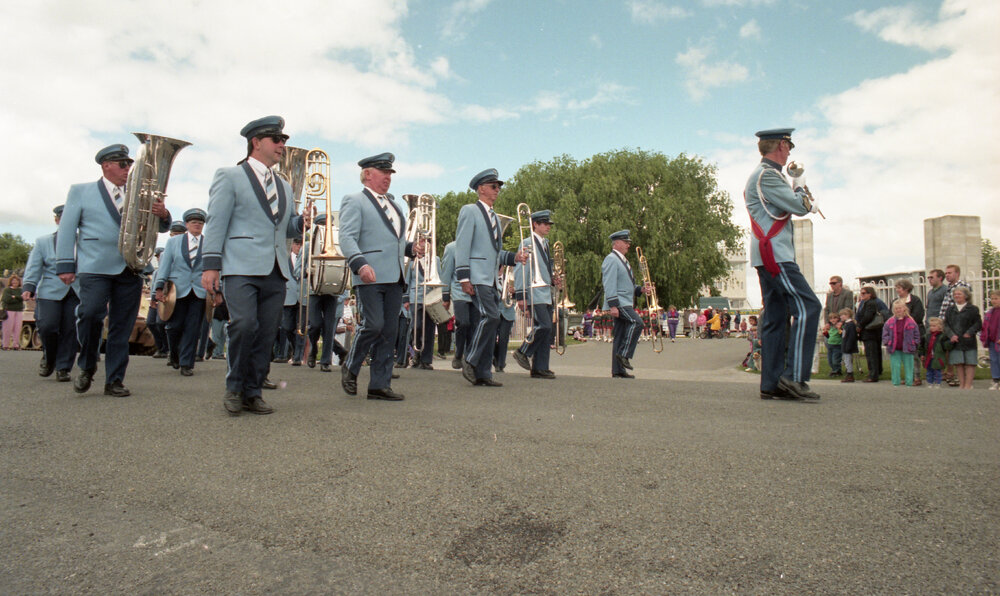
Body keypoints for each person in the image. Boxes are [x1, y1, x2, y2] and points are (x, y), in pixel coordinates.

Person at [201, 116, 310, 416]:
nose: (282, 145)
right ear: (256, 142)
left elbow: (285, 227)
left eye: (284, 140)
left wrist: (302, 222)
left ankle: (253, 391)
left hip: (276, 269)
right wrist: (211, 264)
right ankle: (234, 386)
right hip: (240, 266)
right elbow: (216, 222)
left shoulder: (285, 187)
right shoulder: (229, 176)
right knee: (244, 325)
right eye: (276, 139)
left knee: (265, 333)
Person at [56, 143, 171, 397]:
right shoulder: (81, 191)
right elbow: (67, 229)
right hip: (94, 266)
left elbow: (160, 227)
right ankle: (86, 365)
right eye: (123, 164)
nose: (128, 169)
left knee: (122, 325)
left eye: (130, 164)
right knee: (90, 314)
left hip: (130, 267)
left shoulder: (140, 193)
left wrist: (163, 215)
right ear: (105, 165)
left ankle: (115, 379)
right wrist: (65, 263)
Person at [744, 128, 822, 400]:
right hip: (776, 254)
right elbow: (800, 207)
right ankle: (794, 377)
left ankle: (772, 382)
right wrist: (799, 184)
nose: (790, 151)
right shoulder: (768, 175)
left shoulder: (765, 175)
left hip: (766, 254)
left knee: (776, 317)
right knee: (809, 306)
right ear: (780, 145)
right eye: (788, 145)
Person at [338, 153, 423, 401]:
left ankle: (379, 384)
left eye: (390, 173)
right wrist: (359, 263)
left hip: (395, 276)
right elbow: (347, 237)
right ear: (367, 174)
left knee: (389, 331)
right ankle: (351, 365)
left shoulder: (396, 207)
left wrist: (411, 249)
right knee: (373, 325)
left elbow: (395, 242)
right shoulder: (354, 200)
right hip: (369, 275)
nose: (388, 177)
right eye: (383, 172)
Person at [454, 168, 528, 386]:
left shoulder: (494, 216)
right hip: (477, 276)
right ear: (481, 189)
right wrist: (464, 277)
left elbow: (494, 253)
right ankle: (470, 359)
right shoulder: (469, 211)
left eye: (499, 187)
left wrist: (514, 257)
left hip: (490, 278)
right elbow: (462, 245)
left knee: (485, 323)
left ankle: (483, 373)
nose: (498, 190)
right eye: (494, 186)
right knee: (492, 317)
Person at [21, 206, 80, 380]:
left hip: (76, 291)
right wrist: (29, 286)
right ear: (57, 220)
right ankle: (49, 356)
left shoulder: (84, 242)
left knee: (71, 330)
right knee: (47, 326)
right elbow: (34, 266)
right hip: (50, 291)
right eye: (63, 218)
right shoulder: (43, 242)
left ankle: (63, 368)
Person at [155, 208, 207, 377]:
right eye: (194, 222)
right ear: (187, 224)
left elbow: (215, 267)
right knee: (174, 326)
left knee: (193, 328)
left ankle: (187, 363)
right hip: (177, 290)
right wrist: (159, 286)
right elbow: (165, 265)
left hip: (199, 290)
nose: (197, 225)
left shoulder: (209, 243)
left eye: (200, 223)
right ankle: (174, 353)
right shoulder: (174, 242)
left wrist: (217, 290)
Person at [512, 210, 558, 379]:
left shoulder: (545, 244)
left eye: (549, 224)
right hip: (534, 291)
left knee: (547, 331)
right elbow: (521, 269)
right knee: (543, 326)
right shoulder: (527, 242)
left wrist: (553, 279)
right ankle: (522, 351)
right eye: (544, 224)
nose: (548, 227)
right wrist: (521, 295)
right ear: (535, 225)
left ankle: (540, 367)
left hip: (545, 291)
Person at [602, 230, 647, 379]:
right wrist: (613, 305)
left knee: (620, 335)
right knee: (637, 322)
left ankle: (618, 370)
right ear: (617, 243)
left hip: (625, 300)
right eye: (625, 242)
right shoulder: (611, 259)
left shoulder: (622, 260)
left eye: (628, 242)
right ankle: (624, 354)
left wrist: (640, 289)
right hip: (619, 302)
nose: (628, 244)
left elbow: (626, 284)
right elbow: (609, 283)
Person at [305, 215, 347, 372]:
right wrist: (308, 271)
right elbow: (298, 269)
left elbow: (343, 267)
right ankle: (314, 350)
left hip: (332, 290)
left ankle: (325, 361)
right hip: (315, 290)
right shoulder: (309, 246)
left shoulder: (338, 244)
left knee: (329, 327)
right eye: (322, 226)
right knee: (315, 325)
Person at [440, 241, 476, 370]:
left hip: (476, 292)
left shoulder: (478, 245)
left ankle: (469, 358)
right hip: (459, 291)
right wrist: (445, 296)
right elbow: (446, 273)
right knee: (463, 322)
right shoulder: (451, 247)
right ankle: (458, 353)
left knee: (474, 327)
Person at [938, 264, 972, 387]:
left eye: (950, 273)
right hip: (946, 323)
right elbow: (946, 306)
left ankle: (960, 377)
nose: (947, 275)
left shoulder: (963, 286)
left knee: (960, 350)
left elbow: (965, 305)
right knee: (948, 349)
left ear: (957, 273)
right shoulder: (948, 288)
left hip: (959, 324)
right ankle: (950, 373)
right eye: (946, 273)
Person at [942, 286, 981, 390]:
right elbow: (946, 324)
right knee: (958, 363)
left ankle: (968, 385)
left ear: (966, 296)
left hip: (968, 340)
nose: (957, 296)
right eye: (955, 294)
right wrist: (951, 335)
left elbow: (978, 323)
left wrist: (970, 332)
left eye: (959, 294)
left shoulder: (973, 309)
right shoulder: (950, 310)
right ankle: (962, 384)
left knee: (970, 363)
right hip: (956, 341)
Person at [275, 237, 304, 366]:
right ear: (292, 245)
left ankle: (298, 356)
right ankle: (293, 347)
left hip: (303, 297)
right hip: (288, 297)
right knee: (287, 327)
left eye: (300, 244)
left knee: (301, 328)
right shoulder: (285, 258)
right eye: (296, 244)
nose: (298, 247)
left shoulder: (306, 258)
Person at [406, 258, 438, 371]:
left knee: (429, 329)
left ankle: (426, 360)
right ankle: (414, 353)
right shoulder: (412, 261)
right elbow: (407, 280)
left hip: (431, 297)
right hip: (416, 297)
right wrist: (406, 298)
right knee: (416, 326)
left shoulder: (436, 260)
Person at [881, 299, 920, 387]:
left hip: (908, 348)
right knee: (895, 367)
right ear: (893, 310)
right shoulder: (889, 322)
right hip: (894, 348)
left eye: (900, 308)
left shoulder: (911, 321)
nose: (898, 310)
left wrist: (915, 343)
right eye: (896, 309)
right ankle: (896, 383)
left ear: (904, 309)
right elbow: (885, 333)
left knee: (909, 367)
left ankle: (909, 383)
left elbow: (916, 333)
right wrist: (888, 342)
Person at [856, 286, 890, 383]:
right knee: (873, 352)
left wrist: (860, 325)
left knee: (871, 354)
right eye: (861, 293)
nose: (861, 295)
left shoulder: (870, 303)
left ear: (870, 294)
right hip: (871, 332)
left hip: (870, 332)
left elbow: (868, 316)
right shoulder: (865, 303)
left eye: (864, 293)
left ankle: (873, 374)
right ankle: (876, 371)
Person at [894, 279, 925, 385]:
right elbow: (892, 315)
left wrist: (906, 322)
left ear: (906, 289)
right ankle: (909, 377)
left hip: (912, 331)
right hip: (899, 332)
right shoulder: (895, 301)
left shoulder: (915, 300)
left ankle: (917, 377)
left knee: (914, 355)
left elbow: (919, 315)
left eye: (899, 288)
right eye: (896, 288)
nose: (897, 290)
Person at [494, 270, 515, 372]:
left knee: (503, 339)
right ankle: (496, 358)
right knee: (491, 338)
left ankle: (500, 364)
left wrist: (513, 292)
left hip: (507, 312)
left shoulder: (509, 277)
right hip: (494, 311)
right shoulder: (490, 276)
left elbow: (516, 294)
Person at [980, 289, 1000, 390]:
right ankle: (995, 380)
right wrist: (984, 336)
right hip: (992, 341)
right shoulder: (990, 312)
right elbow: (986, 326)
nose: (994, 300)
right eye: (992, 299)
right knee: (994, 360)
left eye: (996, 298)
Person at [1, 274, 25, 350]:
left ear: (19, 282)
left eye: (16, 281)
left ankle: (16, 345)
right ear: (10, 282)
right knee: (7, 328)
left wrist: (15, 297)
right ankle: (5, 345)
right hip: (9, 310)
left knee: (18, 328)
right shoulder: (7, 290)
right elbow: (7, 299)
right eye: (13, 281)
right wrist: (17, 298)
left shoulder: (21, 290)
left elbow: (22, 298)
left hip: (19, 310)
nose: (15, 282)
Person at [923, 317, 948, 388]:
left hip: (938, 357)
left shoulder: (942, 336)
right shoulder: (927, 336)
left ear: (939, 326)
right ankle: (929, 382)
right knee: (929, 370)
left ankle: (938, 382)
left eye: (934, 326)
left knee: (937, 370)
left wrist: (949, 343)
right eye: (930, 326)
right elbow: (923, 346)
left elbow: (946, 347)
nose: (932, 327)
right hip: (929, 356)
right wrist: (922, 354)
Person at [839, 308, 858, 383]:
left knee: (848, 360)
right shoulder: (846, 324)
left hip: (848, 346)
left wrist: (848, 346)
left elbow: (851, 337)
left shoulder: (850, 325)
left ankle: (850, 374)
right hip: (845, 345)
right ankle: (848, 373)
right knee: (846, 360)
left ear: (847, 315)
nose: (840, 317)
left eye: (842, 315)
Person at [823, 312, 843, 377]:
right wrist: (825, 332)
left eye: (835, 318)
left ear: (838, 319)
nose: (833, 320)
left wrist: (839, 329)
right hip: (830, 345)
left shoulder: (839, 326)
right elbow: (828, 336)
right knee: (830, 360)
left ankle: (837, 370)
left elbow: (841, 334)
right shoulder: (830, 327)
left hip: (837, 345)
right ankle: (834, 369)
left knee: (835, 360)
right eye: (831, 318)